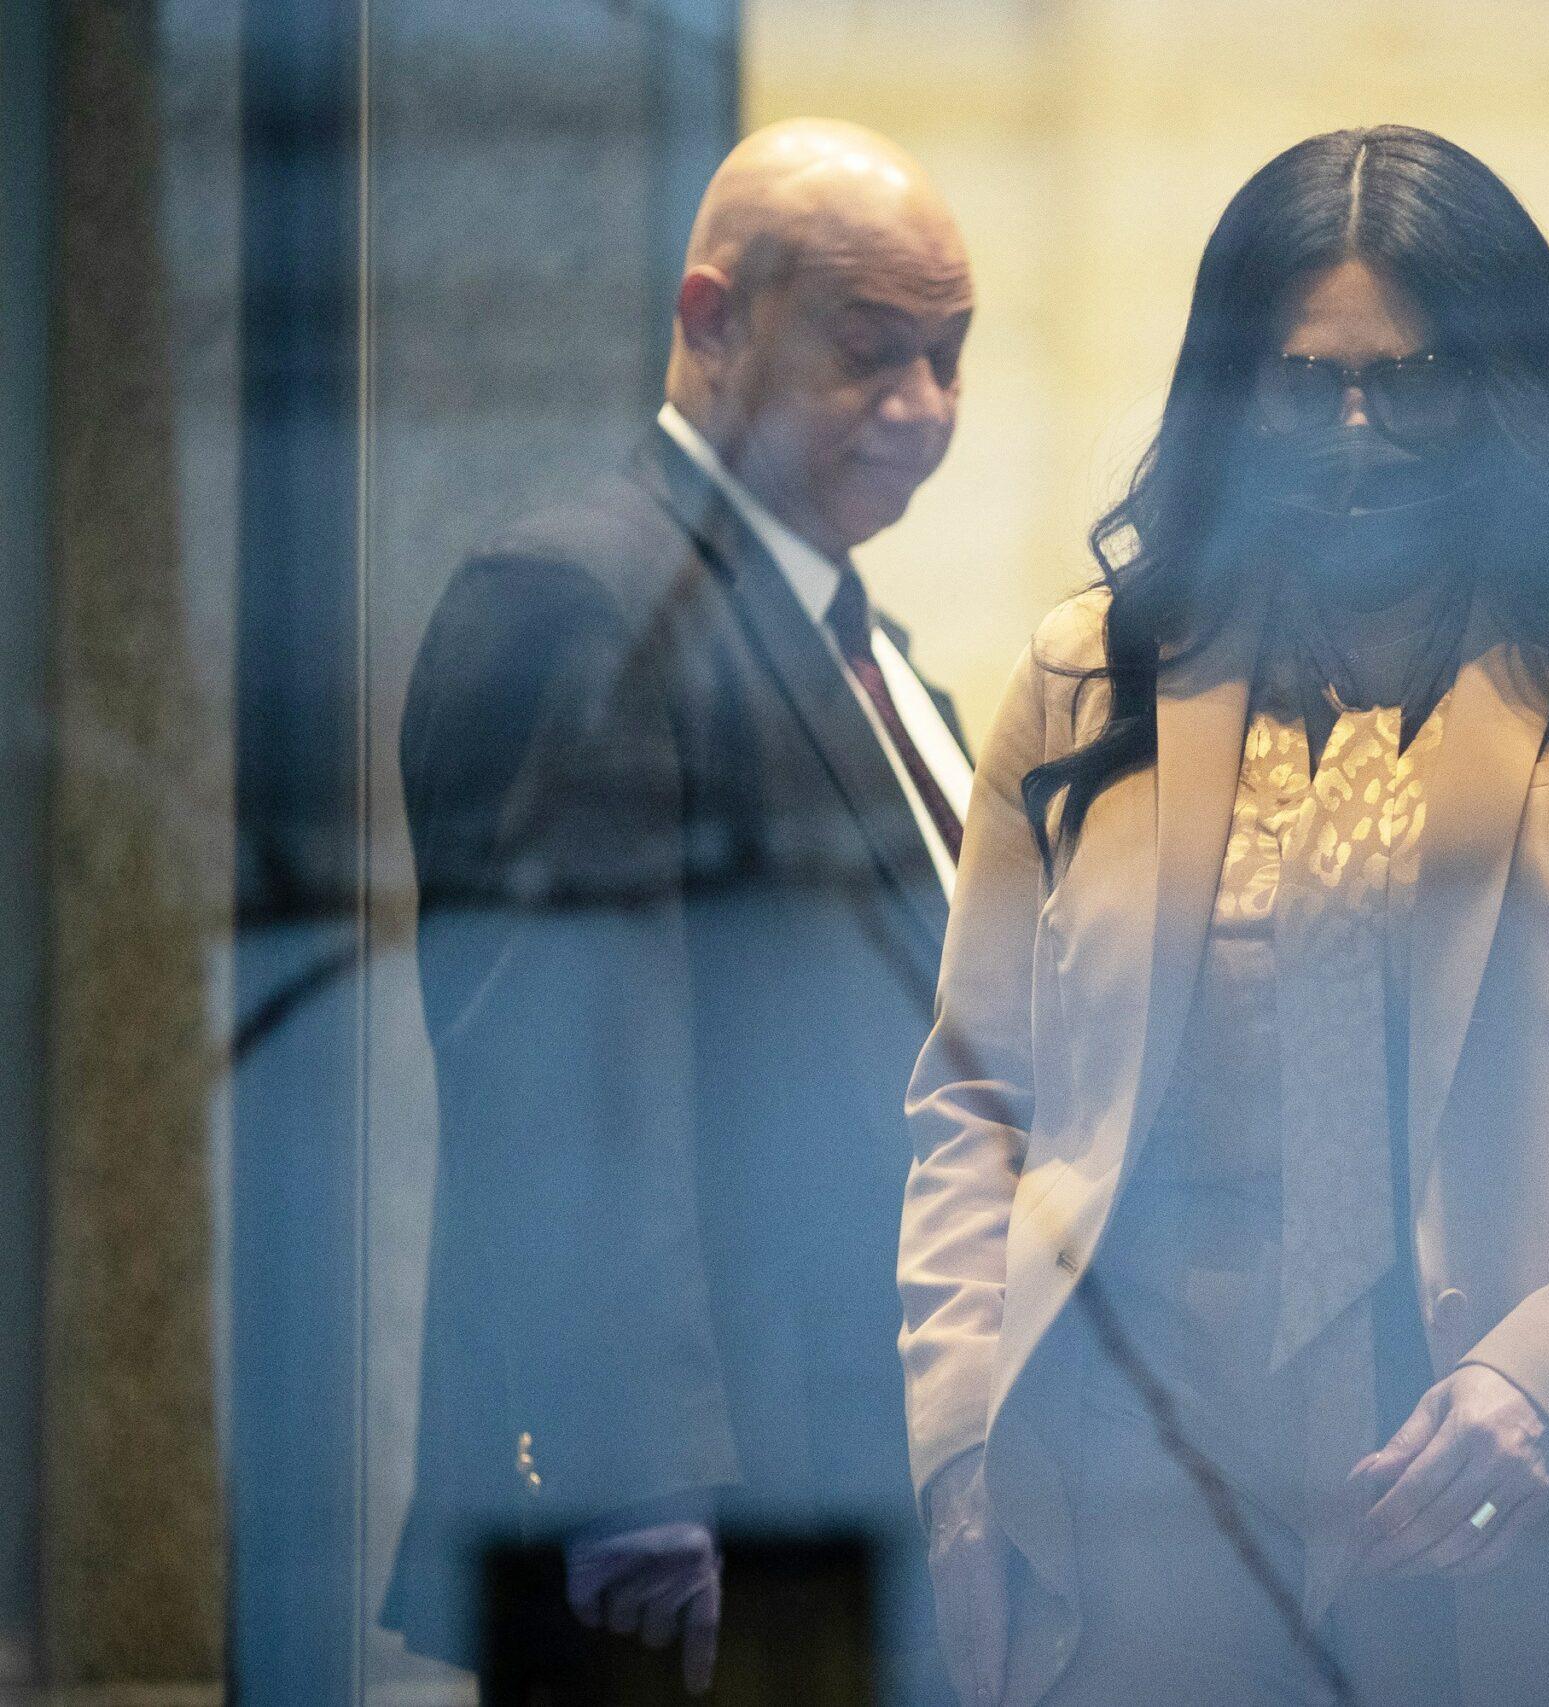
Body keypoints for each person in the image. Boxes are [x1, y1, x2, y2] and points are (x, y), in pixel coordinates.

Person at [900, 125, 1549, 1707]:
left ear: (1503, 387)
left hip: (1528, 1485)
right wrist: (963, 1445)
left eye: (1418, 375)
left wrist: (1547, 1388)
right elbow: (978, 1105)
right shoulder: (1088, 679)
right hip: (1145, 1488)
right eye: (1310, 383)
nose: (1361, 430)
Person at [387, 119, 974, 1699]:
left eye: (949, 355)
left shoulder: (875, 647)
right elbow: (564, 1084)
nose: (922, 410)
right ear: (710, 319)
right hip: (690, 1530)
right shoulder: (579, 603)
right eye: (873, 353)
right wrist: (627, 1477)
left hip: (864, 1463)